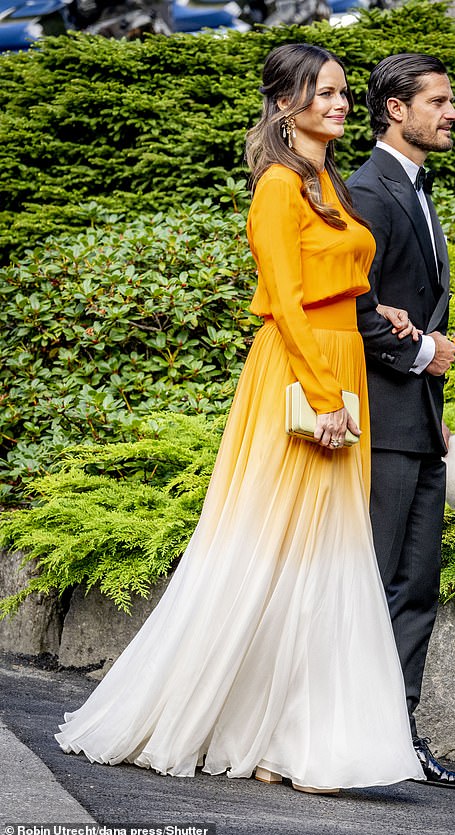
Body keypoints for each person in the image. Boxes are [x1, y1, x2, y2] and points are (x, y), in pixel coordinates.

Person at [55, 43, 425, 795]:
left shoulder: (325, 181)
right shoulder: (280, 185)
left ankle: (280, 735)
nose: (340, 103)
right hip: (299, 373)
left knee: (317, 562)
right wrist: (323, 397)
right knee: (273, 554)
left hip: (339, 360)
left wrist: (374, 308)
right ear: (286, 102)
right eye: (324, 92)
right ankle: (250, 728)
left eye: (343, 92)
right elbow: (285, 300)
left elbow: (334, 278)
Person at [347, 53, 455, 789]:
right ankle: (346, 734)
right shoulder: (368, 191)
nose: (451, 111)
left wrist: (439, 414)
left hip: (418, 425)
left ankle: (397, 736)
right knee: (373, 586)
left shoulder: (415, 191)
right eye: (439, 99)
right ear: (397, 109)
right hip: (379, 424)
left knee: (415, 586)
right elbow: (353, 309)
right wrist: (426, 350)